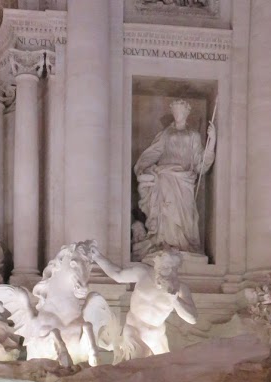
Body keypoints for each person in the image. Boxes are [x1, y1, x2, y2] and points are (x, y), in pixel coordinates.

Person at [91, 244, 209, 358]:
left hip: (156, 335)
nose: (168, 271)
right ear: (157, 264)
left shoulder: (180, 289)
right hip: (134, 328)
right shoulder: (143, 273)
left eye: (172, 269)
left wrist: (175, 300)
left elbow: (192, 318)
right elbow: (117, 274)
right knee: (139, 361)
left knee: (167, 370)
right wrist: (97, 257)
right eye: (165, 267)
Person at [134, 98, 216, 254]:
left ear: (186, 113)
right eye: (175, 111)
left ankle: (183, 245)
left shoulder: (193, 135)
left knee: (185, 214)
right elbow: (154, 152)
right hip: (165, 175)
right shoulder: (166, 134)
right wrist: (142, 167)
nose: (178, 114)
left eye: (181, 111)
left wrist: (212, 141)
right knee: (166, 210)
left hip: (184, 179)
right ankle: (164, 243)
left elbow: (201, 164)